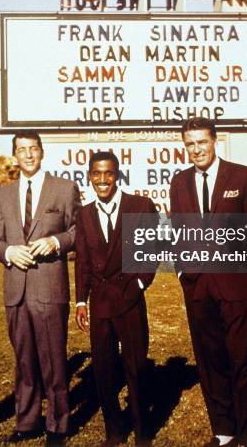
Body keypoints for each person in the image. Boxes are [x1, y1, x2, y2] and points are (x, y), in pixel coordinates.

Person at [170, 117, 247, 447]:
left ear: (214, 141)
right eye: (190, 144)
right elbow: (179, 232)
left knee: (241, 359)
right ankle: (224, 430)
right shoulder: (179, 182)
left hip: (235, 283)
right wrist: (184, 273)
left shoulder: (242, 176)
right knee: (210, 358)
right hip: (198, 286)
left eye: (202, 142)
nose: (196, 149)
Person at [0, 131, 80, 445]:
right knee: (24, 358)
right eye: (22, 150)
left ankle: (58, 423)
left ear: (42, 152)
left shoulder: (64, 189)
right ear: (15, 154)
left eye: (33, 149)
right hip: (16, 288)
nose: (28, 155)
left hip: (50, 287)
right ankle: (27, 422)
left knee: (53, 358)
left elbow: (78, 231)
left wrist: (55, 242)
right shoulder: (2, 195)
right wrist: (9, 252)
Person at [75, 151, 158, 445]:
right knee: (103, 366)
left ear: (117, 174)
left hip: (129, 298)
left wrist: (140, 282)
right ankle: (115, 429)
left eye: (108, 173)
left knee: (135, 364)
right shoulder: (84, 213)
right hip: (99, 302)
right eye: (96, 174)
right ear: (89, 176)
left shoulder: (140, 206)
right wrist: (81, 301)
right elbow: (83, 261)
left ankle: (141, 427)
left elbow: (153, 248)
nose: (102, 180)